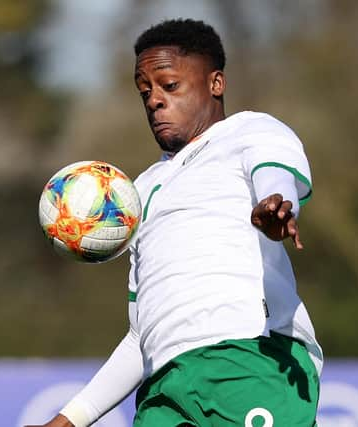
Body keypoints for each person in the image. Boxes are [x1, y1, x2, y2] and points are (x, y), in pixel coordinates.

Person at [28, 18, 323, 427]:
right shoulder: (136, 196)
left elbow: (274, 173)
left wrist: (278, 206)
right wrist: (70, 419)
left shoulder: (249, 130)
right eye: (144, 91)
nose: (153, 100)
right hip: (163, 389)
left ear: (215, 83)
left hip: (247, 361)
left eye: (169, 86)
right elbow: (141, 337)